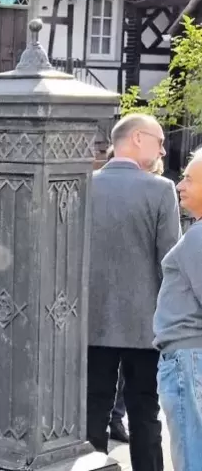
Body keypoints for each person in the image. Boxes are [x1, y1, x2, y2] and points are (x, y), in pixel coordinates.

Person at [88, 114, 180, 471]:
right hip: (146, 325)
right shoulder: (159, 190)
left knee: (91, 410)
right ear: (138, 138)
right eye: (159, 140)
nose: (162, 149)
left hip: (91, 323)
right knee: (144, 413)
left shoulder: (82, 185)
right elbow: (167, 264)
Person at [154, 148, 202, 471]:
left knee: (191, 455)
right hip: (189, 357)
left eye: (188, 178)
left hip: (188, 358)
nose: (180, 185)